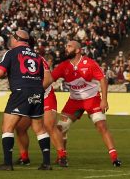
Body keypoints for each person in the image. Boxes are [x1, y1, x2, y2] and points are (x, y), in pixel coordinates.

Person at [0, 29, 53, 171]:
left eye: (11, 37)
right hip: (37, 92)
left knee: (7, 127)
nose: (10, 39)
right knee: (39, 129)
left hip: (20, 92)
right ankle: (46, 163)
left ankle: (7, 163)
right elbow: (46, 77)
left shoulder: (11, 53)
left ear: (17, 39)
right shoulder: (37, 56)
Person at [50, 39, 120, 167]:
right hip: (74, 101)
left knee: (101, 126)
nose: (66, 48)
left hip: (92, 99)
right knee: (60, 128)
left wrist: (104, 100)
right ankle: (62, 156)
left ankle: (114, 157)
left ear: (77, 50)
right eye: (66, 46)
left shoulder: (89, 63)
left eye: (69, 46)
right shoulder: (63, 66)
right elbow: (49, 79)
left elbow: (103, 80)